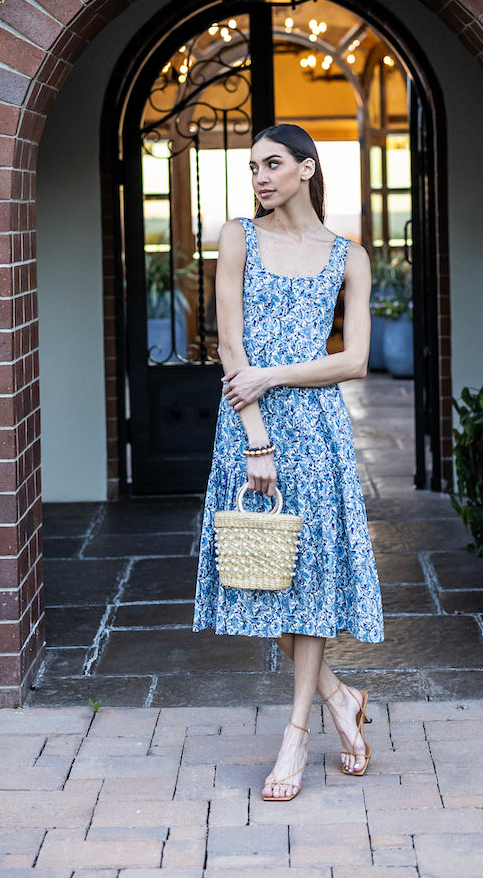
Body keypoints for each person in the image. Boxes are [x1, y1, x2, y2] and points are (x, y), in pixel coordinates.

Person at [193, 123, 384, 802]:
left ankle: (297, 732)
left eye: (271, 164)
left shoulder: (348, 257)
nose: (259, 177)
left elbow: (354, 361)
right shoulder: (237, 236)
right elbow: (229, 348)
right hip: (247, 429)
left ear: (306, 168)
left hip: (319, 429)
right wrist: (256, 441)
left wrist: (273, 377)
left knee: (309, 580)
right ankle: (340, 695)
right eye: (251, 168)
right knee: (258, 577)